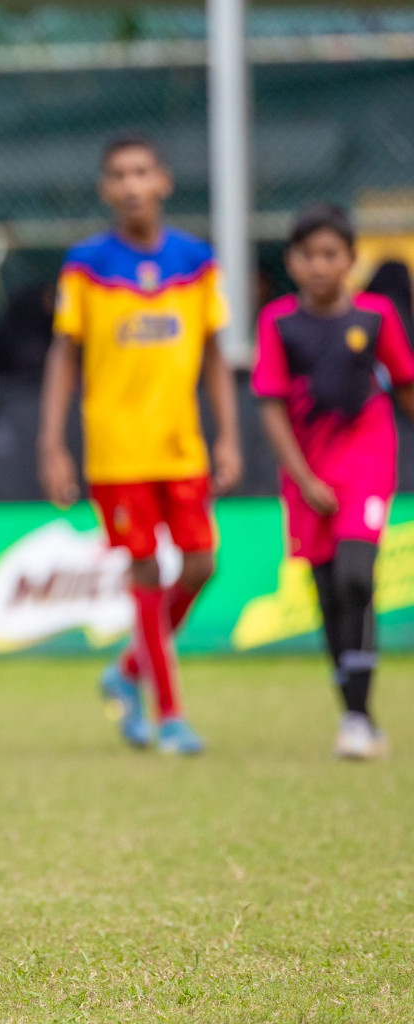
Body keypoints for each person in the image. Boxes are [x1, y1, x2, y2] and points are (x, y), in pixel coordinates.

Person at [38, 132, 242, 755]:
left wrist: (229, 435)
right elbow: (64, 357)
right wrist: (53, 444)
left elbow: (213, 356)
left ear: (163, 182)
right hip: (117, 449)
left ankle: (127, 673)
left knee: (203, 564)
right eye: (119, 175)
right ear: (106, 188)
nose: (131, 185)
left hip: (182, 445)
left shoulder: (198, 260)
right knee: (147, 572)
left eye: (142, 173)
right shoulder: (86, 265)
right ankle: (170, 714)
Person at [252, 203, 414, 760]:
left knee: (356, 577)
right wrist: (302, 475)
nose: (320, 266)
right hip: (306, 473)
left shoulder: (376, 316)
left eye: (331, 255)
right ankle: (352, 714)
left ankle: (360, 716)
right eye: (308, 255)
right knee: (327, 593)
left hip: (367, 462)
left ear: (350, 260)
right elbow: (271, 408)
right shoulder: (277, 322)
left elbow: (406, 384)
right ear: (292, 262)